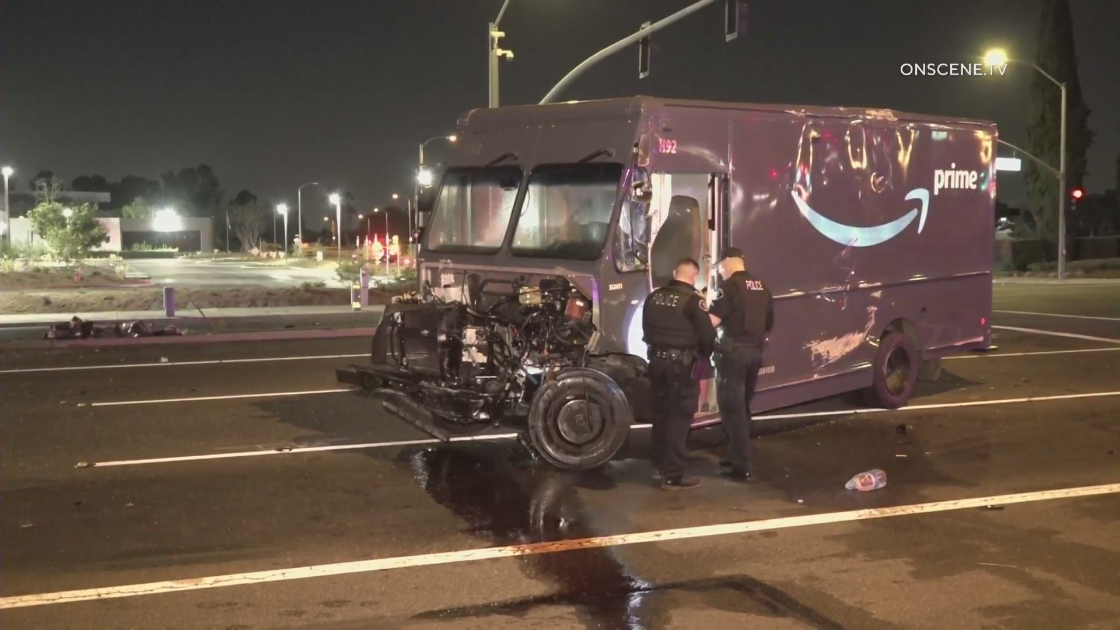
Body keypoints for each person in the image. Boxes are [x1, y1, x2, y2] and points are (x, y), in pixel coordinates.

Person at [642, 258, 717, 489]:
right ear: (694, 275)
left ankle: (659, 466)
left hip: (656, 362)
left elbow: (646, 328)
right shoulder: (694, 301)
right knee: (680, 417)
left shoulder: (653, 296)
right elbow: (707, 337)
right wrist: (702, 356)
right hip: (681, 366)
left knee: (661, 414)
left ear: (675, 272)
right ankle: (674, 474)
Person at [707, 247, 773, 481]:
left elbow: (712, 321)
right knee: (743, 407)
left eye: (719, 267)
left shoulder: (729, 288)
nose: (720, 272)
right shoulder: (762, 287)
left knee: (731, 408)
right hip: (754, 353)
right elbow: (769, 322)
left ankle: (742, 466)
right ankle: (737, 454)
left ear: (726, 263)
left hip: (732, 355)